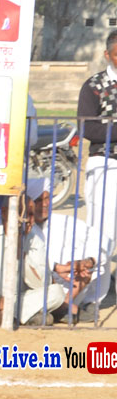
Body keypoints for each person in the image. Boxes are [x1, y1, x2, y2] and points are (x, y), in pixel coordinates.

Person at [21, 178, 99, 324]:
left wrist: (87, 262)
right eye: (39, 200)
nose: (45, 204)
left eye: (47, 199)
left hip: (64, 285)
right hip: (34, 283)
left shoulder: (65, 222)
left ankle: (64, 306)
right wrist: (57, 268)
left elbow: (101, 242)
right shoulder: (23, 227)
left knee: (91, 263)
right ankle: (61, 309)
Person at [78, 28, 117, 305]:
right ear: (107, 55)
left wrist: (110, 126)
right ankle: (95, 295)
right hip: (106, 164)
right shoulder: (94, 85)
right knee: (103, 231)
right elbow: (88, 128)